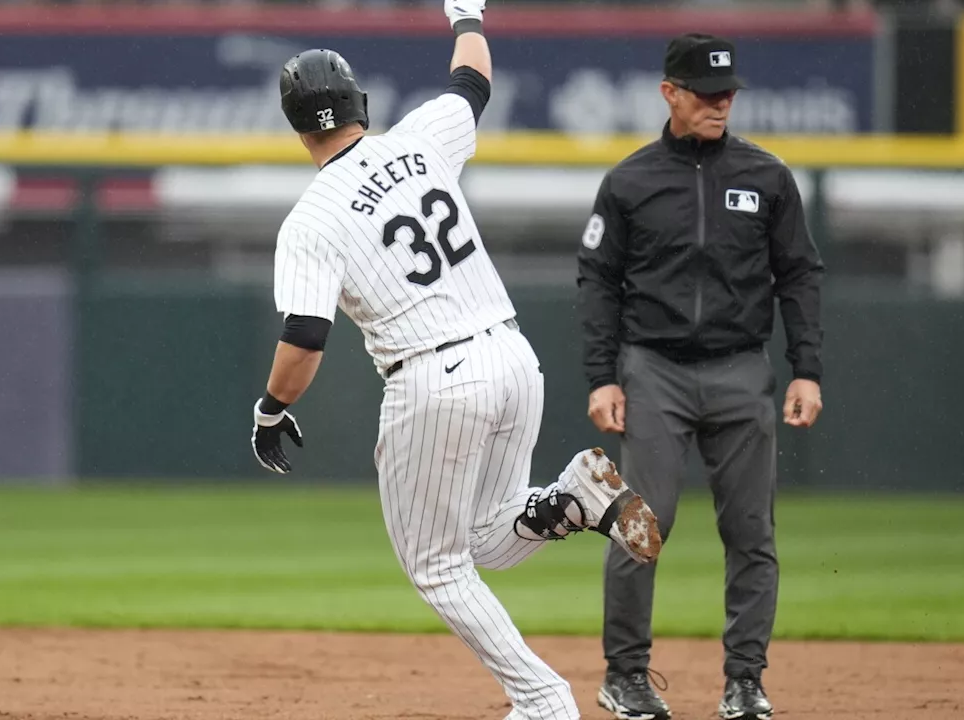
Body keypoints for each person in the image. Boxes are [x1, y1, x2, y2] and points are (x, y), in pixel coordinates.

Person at [246, 4, 663, 719]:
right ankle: (575, 500)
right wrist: (466, 11)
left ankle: (542, 700)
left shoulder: (311, 220)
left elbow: (306, 337)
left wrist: (271, 409)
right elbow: (472, 79)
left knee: (436, 567)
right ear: (360, 104)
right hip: (511, 354)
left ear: (295, 127)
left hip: (434, 377)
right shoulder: (420, 138)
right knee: (487, 540)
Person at [576, 32, 825, 720]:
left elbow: (799, 275)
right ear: (671, 94)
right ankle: (625, 675)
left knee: (751, 534)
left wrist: (807, 369)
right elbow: (597, 281)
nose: (721, 105)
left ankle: (745, 681)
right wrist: (603, 377)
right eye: (708, 94)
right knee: (640, 526)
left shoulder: (766, 176)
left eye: (728, 94)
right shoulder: (630, 181)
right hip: (653, 370)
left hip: (742, 369)